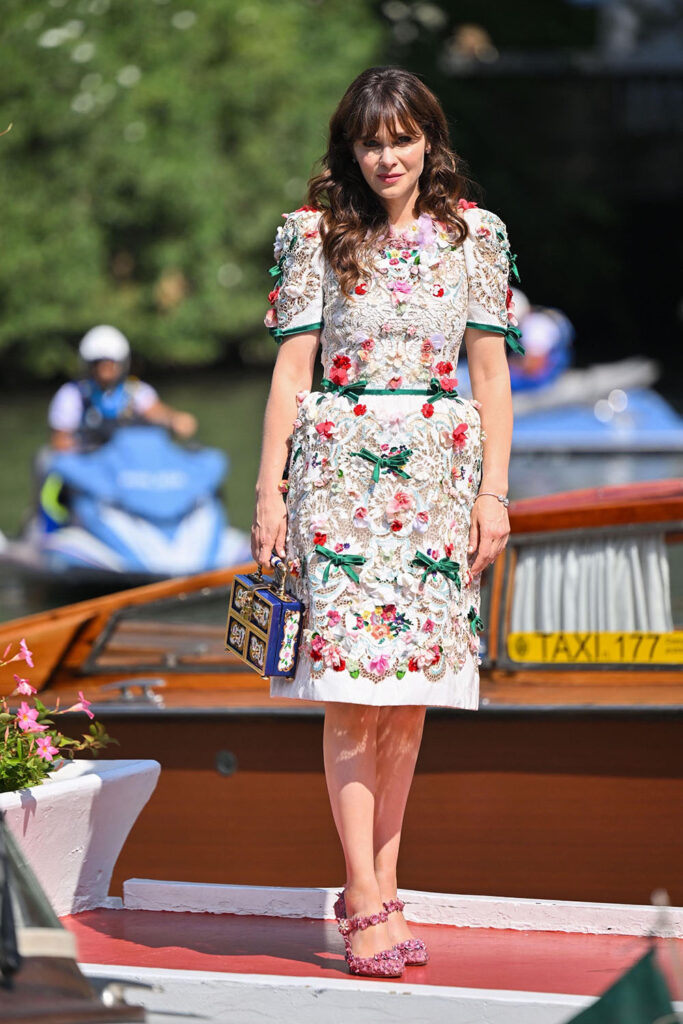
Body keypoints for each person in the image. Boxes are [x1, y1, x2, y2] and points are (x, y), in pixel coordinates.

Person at [252, 67, 522, 978]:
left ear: (428, 141)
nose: (386, 157)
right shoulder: (313, 236)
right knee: (351, 692)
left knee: (409, 701)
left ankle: (386, 885)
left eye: (401, 139)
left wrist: (494, 495)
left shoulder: (473, 237)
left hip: (442, 478)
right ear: (350, 149)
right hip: (335, 479)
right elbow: (292, 374)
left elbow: (490, 375)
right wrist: (268, 492)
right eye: (370, 142)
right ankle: (359, 894)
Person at [47, 325, 198, 450]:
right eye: (100, 364)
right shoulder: (72, 395)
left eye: (111, 365)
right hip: (91, 466)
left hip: (129, 465)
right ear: (89, 365)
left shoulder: (135, 391)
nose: (105, 371)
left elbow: (155, 411)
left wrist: (175, 420)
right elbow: (60, 439)